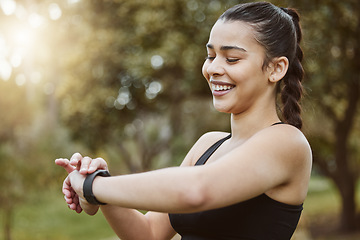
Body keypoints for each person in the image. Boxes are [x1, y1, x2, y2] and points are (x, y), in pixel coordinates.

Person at [55, 2, 312, 239]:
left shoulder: (287, 143)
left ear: (276, 68)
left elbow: (195, 191)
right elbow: (150, 233)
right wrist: (99, 186)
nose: (212, 68)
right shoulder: (206, 146)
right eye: (211, 56)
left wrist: (93, 187)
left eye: (232, 58)